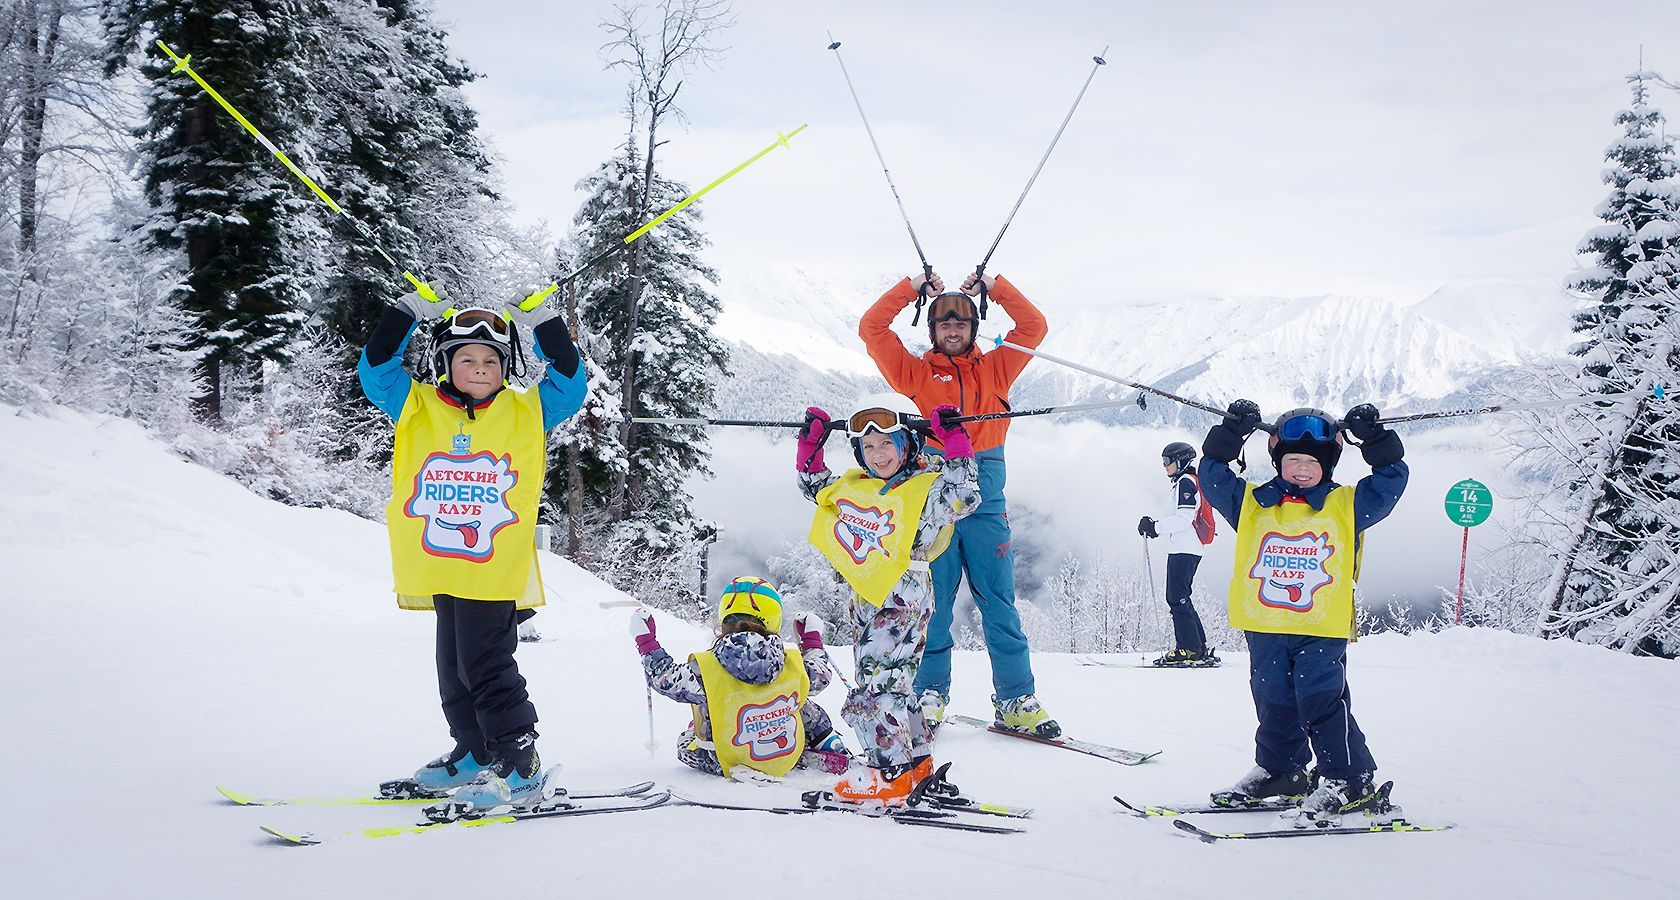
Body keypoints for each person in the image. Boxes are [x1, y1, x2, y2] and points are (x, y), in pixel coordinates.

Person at [358, 287, 586, 812]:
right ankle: (474, 750)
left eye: (491, 360)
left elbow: (570, 384)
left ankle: (519, 761)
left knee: (487, 664)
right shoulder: (415, 405)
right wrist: (410, 312)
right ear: (445, 362)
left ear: (506, 368)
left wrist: (545, 322)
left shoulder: (527, 411)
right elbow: (377, 369)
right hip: (441, 563)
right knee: (453, 666)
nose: (479, 367)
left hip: (492, 568)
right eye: (467, 358)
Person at [858, 270, 1059, 738]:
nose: (953, 330)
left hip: (987, 495)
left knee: (1000, 602)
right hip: (934, 500)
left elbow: (1034, 327)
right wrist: (910, 287)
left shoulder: (997, 367)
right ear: (932, 331)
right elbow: (872, 329)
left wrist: (994, 286)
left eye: (962, 324)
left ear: (973, 329)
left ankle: (1015, 699)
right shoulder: (916, 373)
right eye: (944, 324)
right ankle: (929, 694)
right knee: (935, 605)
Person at [1197, 401, 1407, 817]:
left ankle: (1349, 778)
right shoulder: (1253, 502)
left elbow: (1390, 481)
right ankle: (1282, 770)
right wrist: (1229, 435)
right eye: (1294, 460)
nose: (1303, 469)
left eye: (1313, 461)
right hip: (1265, 622)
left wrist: (1377, 439)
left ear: (1328, 464)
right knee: (1272, 698)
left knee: (1320, 699)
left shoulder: (1348, 505)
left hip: (1320, 624)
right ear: (1278, 460)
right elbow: (1212, 477)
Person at [796, 393, 979, 805]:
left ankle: (887, 769)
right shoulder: (859, 489)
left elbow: (963, 497)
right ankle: (914, 760)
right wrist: (811, 446)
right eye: (869, 446)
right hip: (878, 600)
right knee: (896, 681)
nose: (878, 455)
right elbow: (816, 487)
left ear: (907, 444)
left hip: (900, 599)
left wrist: (955, 442)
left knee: (876, 682)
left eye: (887, 444)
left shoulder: (921, 489)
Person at [628, 577, 849, 779]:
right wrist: (811, 637)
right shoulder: (789, 663)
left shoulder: (706, 670)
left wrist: (646, 641)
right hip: (785, 749)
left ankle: (743, 760)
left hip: (731, 757)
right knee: (802, 700)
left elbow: (665, 678)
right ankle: (826, 742)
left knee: (685, 741)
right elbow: (819, 674)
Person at [1138, 440, 1219, 667]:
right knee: (1181, 596)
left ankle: (1189, 649)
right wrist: (1156, 528)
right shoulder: (1186, 482)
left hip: (1184, 547)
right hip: (1186, 547)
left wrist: (1155, 527)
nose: (1164, 466)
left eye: (1167, 461)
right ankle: (1198, 646)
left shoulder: (1185, 483)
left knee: (1176, 598)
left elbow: (1184, 519)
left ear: (1180, 461)